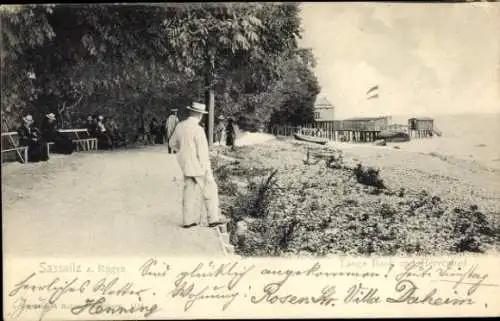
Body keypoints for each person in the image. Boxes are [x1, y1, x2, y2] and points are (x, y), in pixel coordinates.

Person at [169, 102, 228, 229]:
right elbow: (203, 153)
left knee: (189, 190)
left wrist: (183, 151)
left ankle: (188, 221)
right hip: (198, 166)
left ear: (191, 112)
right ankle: (213, 219)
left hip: (185, 165)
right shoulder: (198, 130)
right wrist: (208, 170)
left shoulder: (180, 126)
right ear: (200, 115)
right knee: (211, 190)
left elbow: (172, 143)